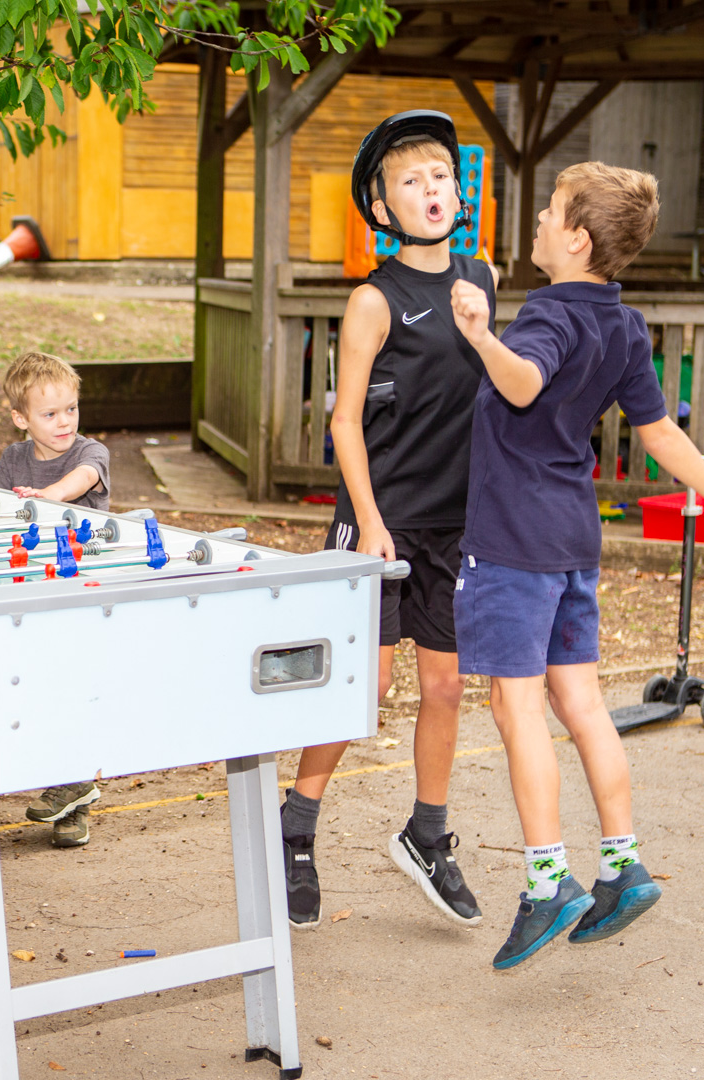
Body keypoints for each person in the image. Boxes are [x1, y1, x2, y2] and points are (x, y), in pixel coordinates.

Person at [448, 161, 704, 968]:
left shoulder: (547, 316)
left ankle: (548, 880)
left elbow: (522, 387)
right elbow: (659, 434)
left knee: (515, 709)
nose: (539, 224)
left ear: (577, 238)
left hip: (514, 541)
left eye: (551, 213)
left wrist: (484, 336)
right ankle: (623, 865)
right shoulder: (623, 326)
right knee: (580, 702)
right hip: (570, 540)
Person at [280, 112, 496, 930]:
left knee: (445, 683)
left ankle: (427, 835)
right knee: (363, 688)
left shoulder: (483, 276)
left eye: (440, 175)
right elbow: (343, 423)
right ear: (383, 204)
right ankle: (296, 828)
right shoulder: (374, 299)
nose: (432, 189)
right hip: (381, 518)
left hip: (454, 524)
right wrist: (369, 521)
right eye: (412, 180)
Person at [0, 351, 110, 845]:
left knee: (67, 685)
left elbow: (82, 481)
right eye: (50, 414)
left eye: (71, 409)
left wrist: (52, 494)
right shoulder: (14, 459)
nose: (64, 422)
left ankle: (74, 787)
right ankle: (73, 800)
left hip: (80, 590)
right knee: (33, 687)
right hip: (29, 590)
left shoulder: (89, 453)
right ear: (21, 418)